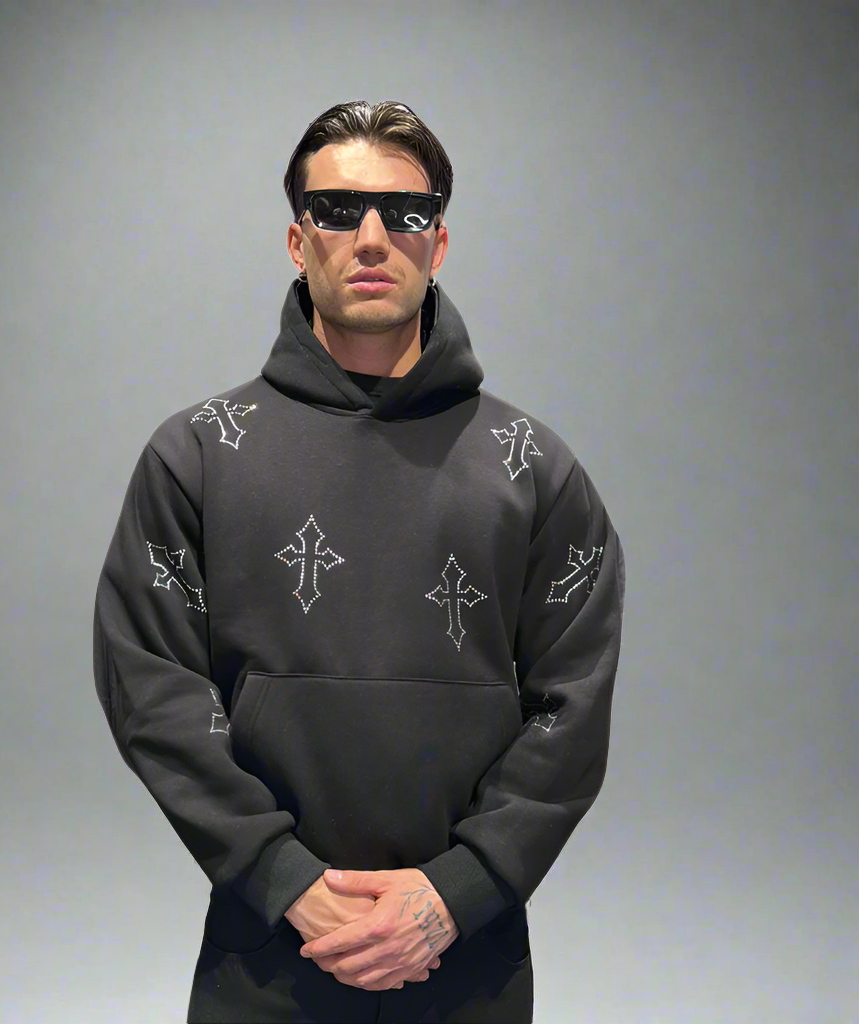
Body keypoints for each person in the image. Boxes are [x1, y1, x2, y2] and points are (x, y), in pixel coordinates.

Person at [92, 98, 626, 1024]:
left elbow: (571, 706)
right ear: (297, 241)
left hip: (468, 956)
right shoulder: (200, 455)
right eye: (337, 210)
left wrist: (460, 891)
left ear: (439, 243)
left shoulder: (533, 468)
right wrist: (281, 877)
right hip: (266, 950)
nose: (372, 237)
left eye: (405, 212)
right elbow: (153, 687)